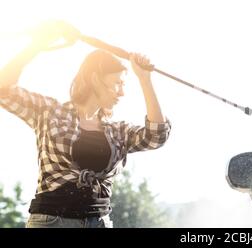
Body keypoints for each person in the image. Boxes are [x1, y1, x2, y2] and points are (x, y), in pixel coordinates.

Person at [0, 21, 171, 228]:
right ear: (95, 79)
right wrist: (36, 45)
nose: (122, 92)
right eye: (118, 83)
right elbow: (4, 89)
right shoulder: (50, 112)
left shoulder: (117, 131)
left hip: (98, 222)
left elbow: (157, 135)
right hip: (52, 221)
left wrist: (145, 80)